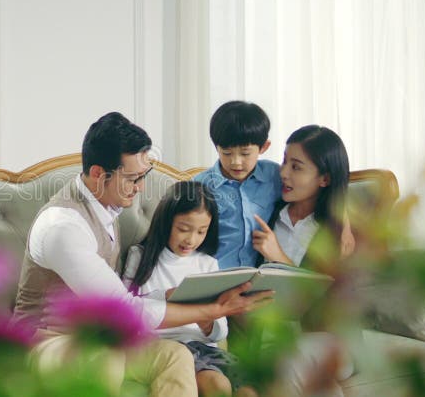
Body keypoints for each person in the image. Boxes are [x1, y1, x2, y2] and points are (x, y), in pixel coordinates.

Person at [13, 112, 273, 397]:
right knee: (104, 359)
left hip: (101, 339)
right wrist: (215, 310)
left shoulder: (107, 207)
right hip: (47, 341)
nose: (141, 187)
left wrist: (168, 296)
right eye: (134, 178)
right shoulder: (63, 226)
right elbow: (125, 311)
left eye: (143, 176)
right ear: (99, 174)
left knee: (175, 355)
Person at [122, 180, 257, 397]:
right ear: (166, 222)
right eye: (183, 229)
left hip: (204, 349)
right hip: (166, 347)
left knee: (250, 391)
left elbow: (219, 334)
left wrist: (207, 323)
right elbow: (126, 312)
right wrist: (165, 297)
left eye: (201, 232)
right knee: (217, 385)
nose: (191, 240)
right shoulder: (140, 257)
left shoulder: (207, 264)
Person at [250, 125, 355, 396]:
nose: (283, 172)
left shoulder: (333, 234)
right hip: (275, 338)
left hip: (326, 339)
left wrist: (277, 256)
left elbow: (313, 302)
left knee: (291, 359)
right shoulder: (273, 212)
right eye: (285, 161)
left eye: (297, 167)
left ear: (324, 179)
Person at [194, 101, 354, 270]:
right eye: (226, 153)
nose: (236, 162)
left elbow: (335, 188)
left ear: (264, 147)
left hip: (256, 282)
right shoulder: (200, 186)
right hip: (214, 274)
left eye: (245, 153)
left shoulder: (271, 176)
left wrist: (343, 223)